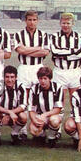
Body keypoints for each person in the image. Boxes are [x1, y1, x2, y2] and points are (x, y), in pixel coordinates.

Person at [14, 10, 50, 138]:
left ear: (37, 21)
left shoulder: (44, 35)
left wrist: (27, 50)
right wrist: (37, 48)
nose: (32, 22)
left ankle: (41, 129)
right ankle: (22, 130)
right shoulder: (19, 34)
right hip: (24, 68)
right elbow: (20, 50)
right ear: (25, 20)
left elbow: (45, 52)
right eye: (29, 20)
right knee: (24, 98)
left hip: (38, 68)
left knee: (40, 98)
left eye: (34, 20)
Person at [0, 66, 28, 146]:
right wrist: (9, 113)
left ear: (16, 77)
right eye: (7, 77)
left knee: (24, 116)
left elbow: (23, 105)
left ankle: (15, 134)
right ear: (3, 77)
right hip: (2, 113)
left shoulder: (21, 87)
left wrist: (11, 113)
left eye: (12, 77)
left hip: (15, 114)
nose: (9, 80)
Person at [28, 67, 64, 148]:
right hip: (40, 115)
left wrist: (45, 115)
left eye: (45, 78)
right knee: (33, 130)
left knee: (54, 120)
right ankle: (42, 135)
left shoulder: (58, 88)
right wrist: (34, 120)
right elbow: (31, 109)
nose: (43, 81)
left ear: (50, 79)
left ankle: (52, 138)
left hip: (54, 114)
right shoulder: (34, 89)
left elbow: (58, 109)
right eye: (41, 78)